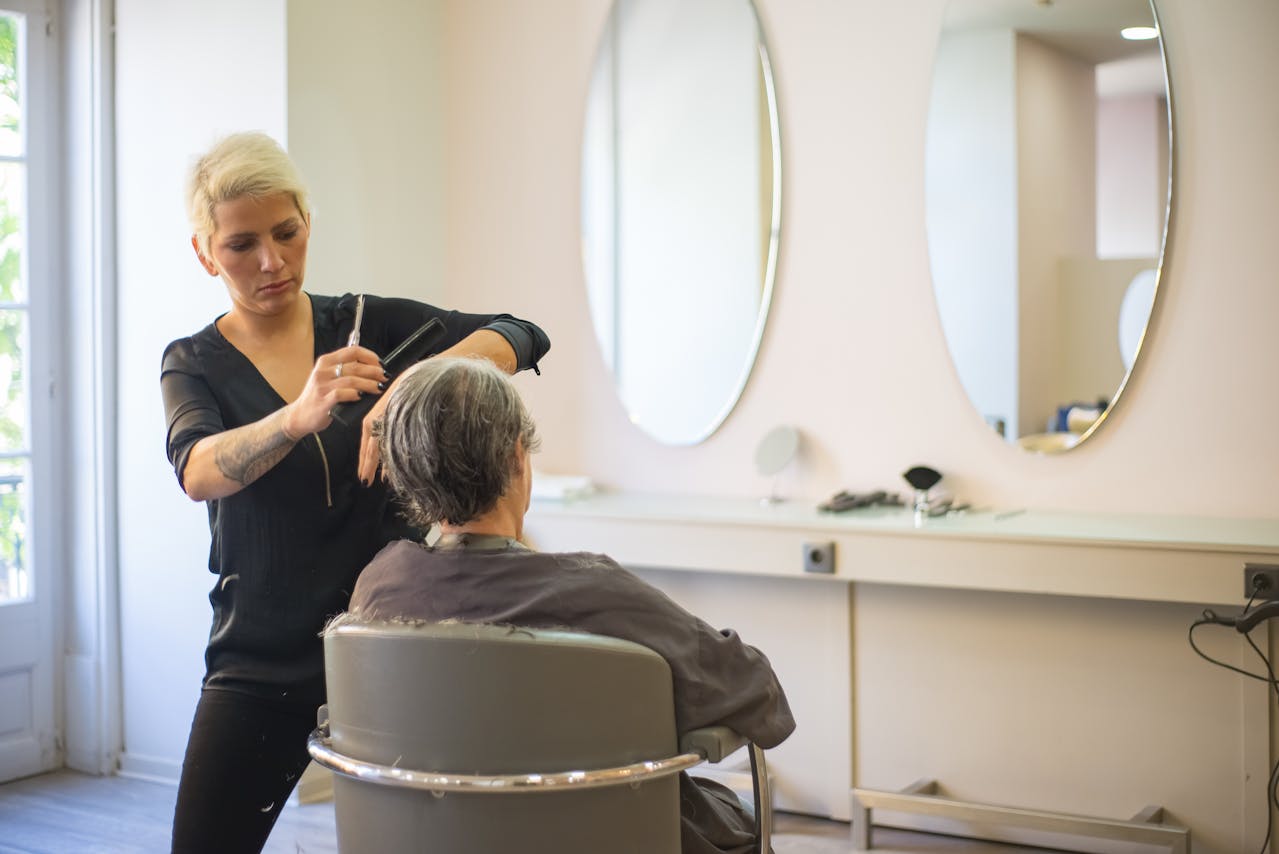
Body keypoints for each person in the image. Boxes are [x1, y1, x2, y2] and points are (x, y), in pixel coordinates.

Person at [160, 131, 550, 853]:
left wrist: (414, 383)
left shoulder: (369, 325)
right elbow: (197, 469)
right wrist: (295, 417)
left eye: (286, 232)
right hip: (262, 662)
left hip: (395, 651)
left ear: (307, 221)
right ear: (205, 253)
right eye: (242, 244)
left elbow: (522, 334)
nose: (272, 261)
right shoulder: (194, 362)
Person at [348, 356, 794, 854]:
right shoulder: (596, 592)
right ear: (517, 458)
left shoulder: (379, 589)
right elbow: (753, 691)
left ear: (406, 471)